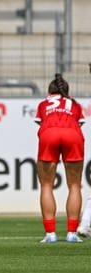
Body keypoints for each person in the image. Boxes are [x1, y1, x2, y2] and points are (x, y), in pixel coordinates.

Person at [35, 73, 85, 243]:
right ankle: (72, 233)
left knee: (46, 184)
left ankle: (50, 234)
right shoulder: (75, 105)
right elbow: (79, 123)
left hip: (50, 134)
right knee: (75, 185)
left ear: (50, 91)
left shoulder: (44, 103)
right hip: (73, 135)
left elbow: (41, 123)